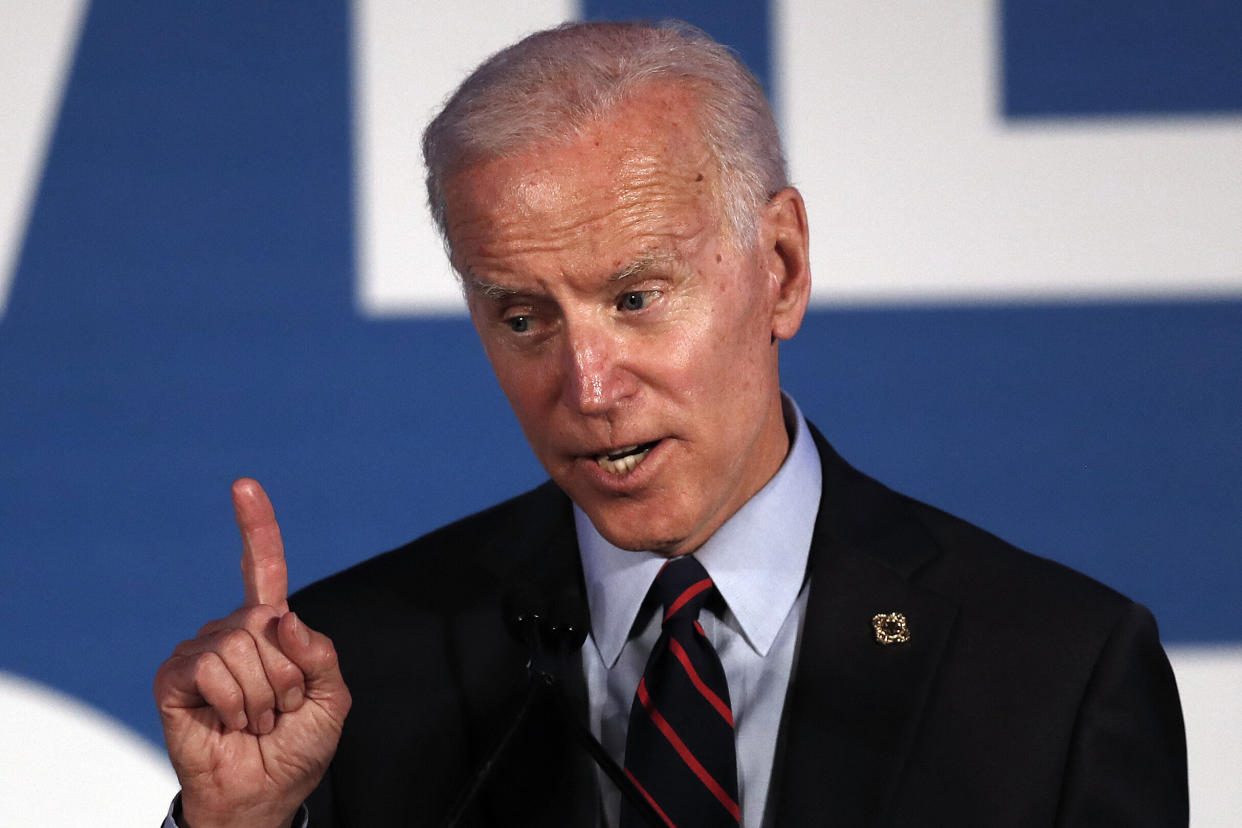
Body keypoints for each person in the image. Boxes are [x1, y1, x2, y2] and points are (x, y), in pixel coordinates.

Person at [154, 20, 1188, 828]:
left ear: (779, 267)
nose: (590, 386)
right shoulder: (352, 679)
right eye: (523, 318)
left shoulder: (1053, 672)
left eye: (637, 298)